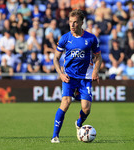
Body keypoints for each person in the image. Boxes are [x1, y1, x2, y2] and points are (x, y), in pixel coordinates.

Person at [51, 9, 102, 143]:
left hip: (85, 78)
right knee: (66, 103)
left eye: (75, 22)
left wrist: (95, 71)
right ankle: (55, 136)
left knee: (86, 108)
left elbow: (98, 57)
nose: (72, 25)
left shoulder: (91, 38)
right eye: (70, 22)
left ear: (81, 23)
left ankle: (79, 123)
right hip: (69, 77)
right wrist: (61, 74)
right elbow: (55, 59)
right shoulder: (65, 38)